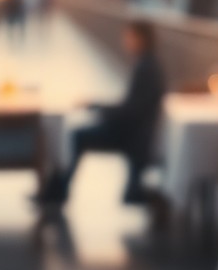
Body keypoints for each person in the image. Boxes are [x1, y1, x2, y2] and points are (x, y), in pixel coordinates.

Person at [38, 21, 165, 206]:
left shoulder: (146, 68)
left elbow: (131, 110)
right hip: (135, 131)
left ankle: (57, 192)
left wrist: (98, 108)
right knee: (78, 135)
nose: (125, 41)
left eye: (129, 36)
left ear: (140, 38)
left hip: (132, 135)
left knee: (77, 136)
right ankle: (57, 191)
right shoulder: (148, 64)